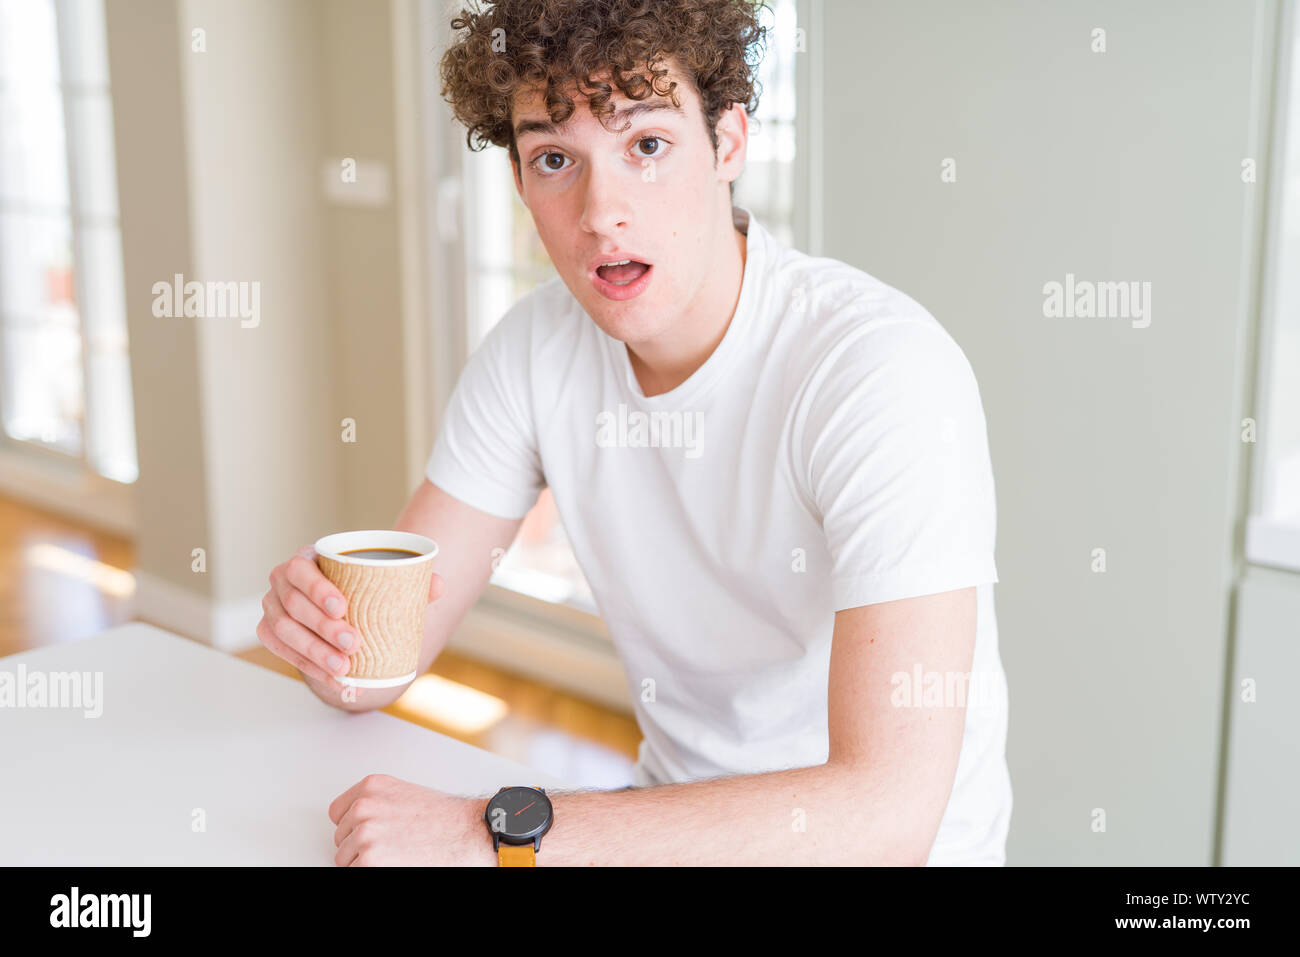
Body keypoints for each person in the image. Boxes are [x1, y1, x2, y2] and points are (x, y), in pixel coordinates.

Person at [259, 0, 1011, 866]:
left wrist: (491, 833)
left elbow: (886, 816)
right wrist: (330, 640)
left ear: (728, 143)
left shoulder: (879, 372)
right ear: (518, 181)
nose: (599, 212)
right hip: (671, 829)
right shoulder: (534, 353)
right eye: (554, 159)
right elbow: (384, 660)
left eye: (646, 145)